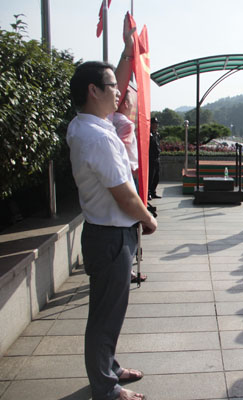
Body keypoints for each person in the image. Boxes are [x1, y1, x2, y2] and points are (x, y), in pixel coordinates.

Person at [67, 27, 157, 400]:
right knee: (105, 315)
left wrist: (127, 51)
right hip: (110, 235)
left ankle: (110, 368)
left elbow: (113, 82)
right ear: (93, 91)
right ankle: (106, 387)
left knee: (111, 311)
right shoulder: (99, 137)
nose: (119, 92)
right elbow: (124, 194)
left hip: (105, 233)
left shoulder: (87, 124)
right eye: (111, 87)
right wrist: (148, 219)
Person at [112, 89, 148, 284]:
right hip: (128, 177)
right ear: (125, 104)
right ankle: (129, 269)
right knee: (132, 222)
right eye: (131, 102)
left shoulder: (108, 120)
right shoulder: (125, 123)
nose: (133, 106)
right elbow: (124, 154)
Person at [148, 117, 161, 200]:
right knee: (151, 177)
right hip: (151, 158)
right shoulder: (149, 134)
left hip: (157, 157)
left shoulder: (157, 134)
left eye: (156, 124)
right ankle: (148, 193)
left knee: (157, 176)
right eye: (154, 124)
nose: (156, 125)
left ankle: (153, 192)